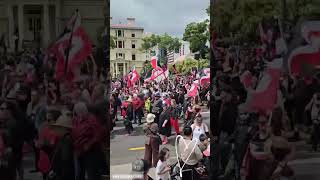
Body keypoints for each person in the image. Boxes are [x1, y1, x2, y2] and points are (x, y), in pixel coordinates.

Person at [72, 102, 107, 180]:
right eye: (77, 111)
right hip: (79, 151)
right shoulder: (76, 120)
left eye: (80, 111)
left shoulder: (92, 119)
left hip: (91, 150)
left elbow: (98, 134)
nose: (78, 113)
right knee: (80, 173)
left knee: (92, 173)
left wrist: (89, 144)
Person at [49, 116, 75, 180]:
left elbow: (65, 160)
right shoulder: (64, 139)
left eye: (57, 128)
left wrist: (57, 173)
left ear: (63, 129)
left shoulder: (66, 141)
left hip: (63, 174)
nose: (56, 130)